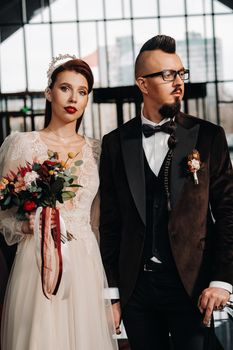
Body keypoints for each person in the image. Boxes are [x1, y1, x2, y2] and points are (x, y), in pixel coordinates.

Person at [99, 34, 233, 350]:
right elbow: (110, 223)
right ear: (143, 84)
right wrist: (111, 295)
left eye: (181, 73)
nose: (178, 82)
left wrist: (222, 281)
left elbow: (229, 212)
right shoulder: (115, 143)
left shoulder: (208, 137)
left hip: (193, 286)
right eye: (167, 74)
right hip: (136, 290)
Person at [0, 55, 118, 350]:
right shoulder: (24, 144)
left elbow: (100, 221)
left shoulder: (99, 151)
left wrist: (110, 293)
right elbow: (3, 211)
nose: (73, 98)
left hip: (86, 262)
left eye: (82, 92)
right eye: (65, 88)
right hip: (38, 260)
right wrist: (25, 224)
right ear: (49, 92)